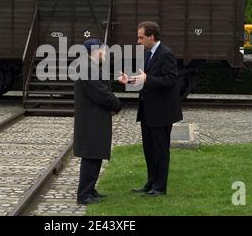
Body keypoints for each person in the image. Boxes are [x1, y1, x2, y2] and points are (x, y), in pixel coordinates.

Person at [118, 22, 183, 197]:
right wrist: (130, 80)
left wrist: (147, 78)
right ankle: (151, 182)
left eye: (141, 37)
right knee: (149, 149)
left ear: (151, 37)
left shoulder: (166, 54)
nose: (138, 41)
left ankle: (160, 187)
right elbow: (147, 79)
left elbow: (170, 81)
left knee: (160, 150)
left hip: (161, 112)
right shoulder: (149, 53)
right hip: (148, 111)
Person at [74, 38, 122, 205]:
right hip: (91, 120)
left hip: (94, 118)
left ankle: (90, 190)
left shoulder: (90, 66)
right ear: (96, 51)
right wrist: (117, 105)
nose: (106, 52)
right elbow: (102, 94)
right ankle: (84, 195)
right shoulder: (88, 68)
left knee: (95, 155)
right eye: (104, 49)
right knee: (91, 155)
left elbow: (101, 89)